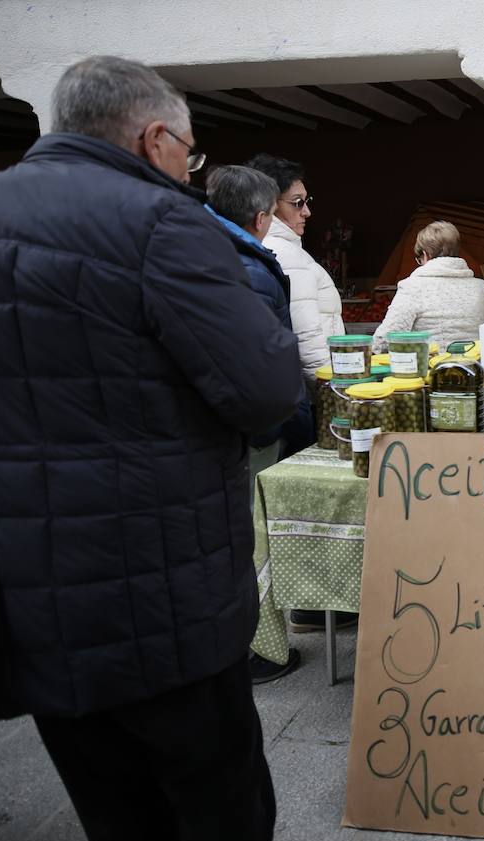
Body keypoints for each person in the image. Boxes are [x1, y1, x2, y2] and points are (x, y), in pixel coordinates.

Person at [0, 56, 302, 841]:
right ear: (153, 138)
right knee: (218, 812)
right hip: (158, 586)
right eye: (190, 152)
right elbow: (266, 391)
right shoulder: (157, 222)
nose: (190, 167)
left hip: (21, 595)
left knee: (112, 814)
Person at [205, 164, 317, 684]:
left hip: (221, 424)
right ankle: (259, 649)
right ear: (260, 216)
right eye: (283, 208)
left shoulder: (204, 247)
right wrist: (283, 417)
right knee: (252, 537)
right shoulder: (251, 265)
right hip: (249, 426)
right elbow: (258, 356)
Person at [245, 153, 345, 380]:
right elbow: (305, 334)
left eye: (306, 202)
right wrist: (330, 385)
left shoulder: (282, 249)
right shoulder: (284, 254)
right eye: (297, 203)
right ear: (268, 204)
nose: (306, 212)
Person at [371, 220, 484, 351]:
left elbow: (385, 339)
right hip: (474, 366)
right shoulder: (480, 287)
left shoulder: (413, 287)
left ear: (426, 255)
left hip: (433, 367)